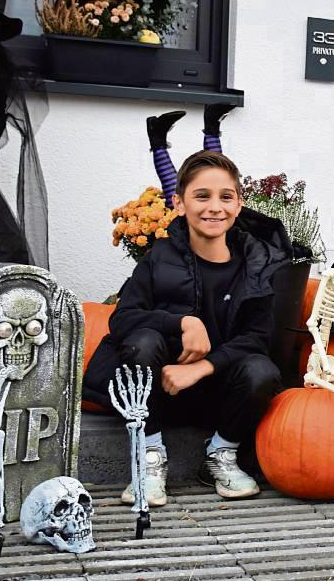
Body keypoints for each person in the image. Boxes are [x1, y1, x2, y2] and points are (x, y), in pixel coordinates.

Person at [87, 150, 292, 505]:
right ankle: (149, 458)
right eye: (202, 196)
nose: (215, 207)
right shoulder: (159, 258)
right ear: (180, 204)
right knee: (142, 342)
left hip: (219, 393)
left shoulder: (257, 264)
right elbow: (121, 319)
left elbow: (257, 338)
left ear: (239, 204)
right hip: (158, 391)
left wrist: (202, 367)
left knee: (262, 370)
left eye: (225, 197)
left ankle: (221, 454)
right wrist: (182, 321)